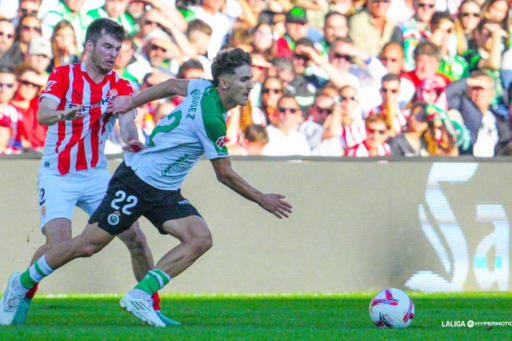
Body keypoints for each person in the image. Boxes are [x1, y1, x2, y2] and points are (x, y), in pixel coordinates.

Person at [0, 47, 292, 328]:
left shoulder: (203, 87)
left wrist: (131, 101)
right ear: (225, 83)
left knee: (199, 238)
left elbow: (171, 85)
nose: (251, 85)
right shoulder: (212, 119)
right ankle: (22, 282)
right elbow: (224, 174)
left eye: (251, 78)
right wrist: (260, 198)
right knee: (88, 245)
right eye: (244, 79)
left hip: (163, 189)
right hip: (136, 181)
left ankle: (141, 298)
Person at [0, 18, 174, 327]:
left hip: (96, 176)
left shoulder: (121, 85)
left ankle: (151, 304)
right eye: (107, 46)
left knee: (136, 239)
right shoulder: (63, 76)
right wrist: (60, 114)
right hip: (58, 174)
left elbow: (128, 122)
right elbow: (42, 114)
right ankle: (21, 290)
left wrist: (132, 139)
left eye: (117, 49)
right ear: (90, 46)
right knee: (59, 246)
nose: (112, 54)